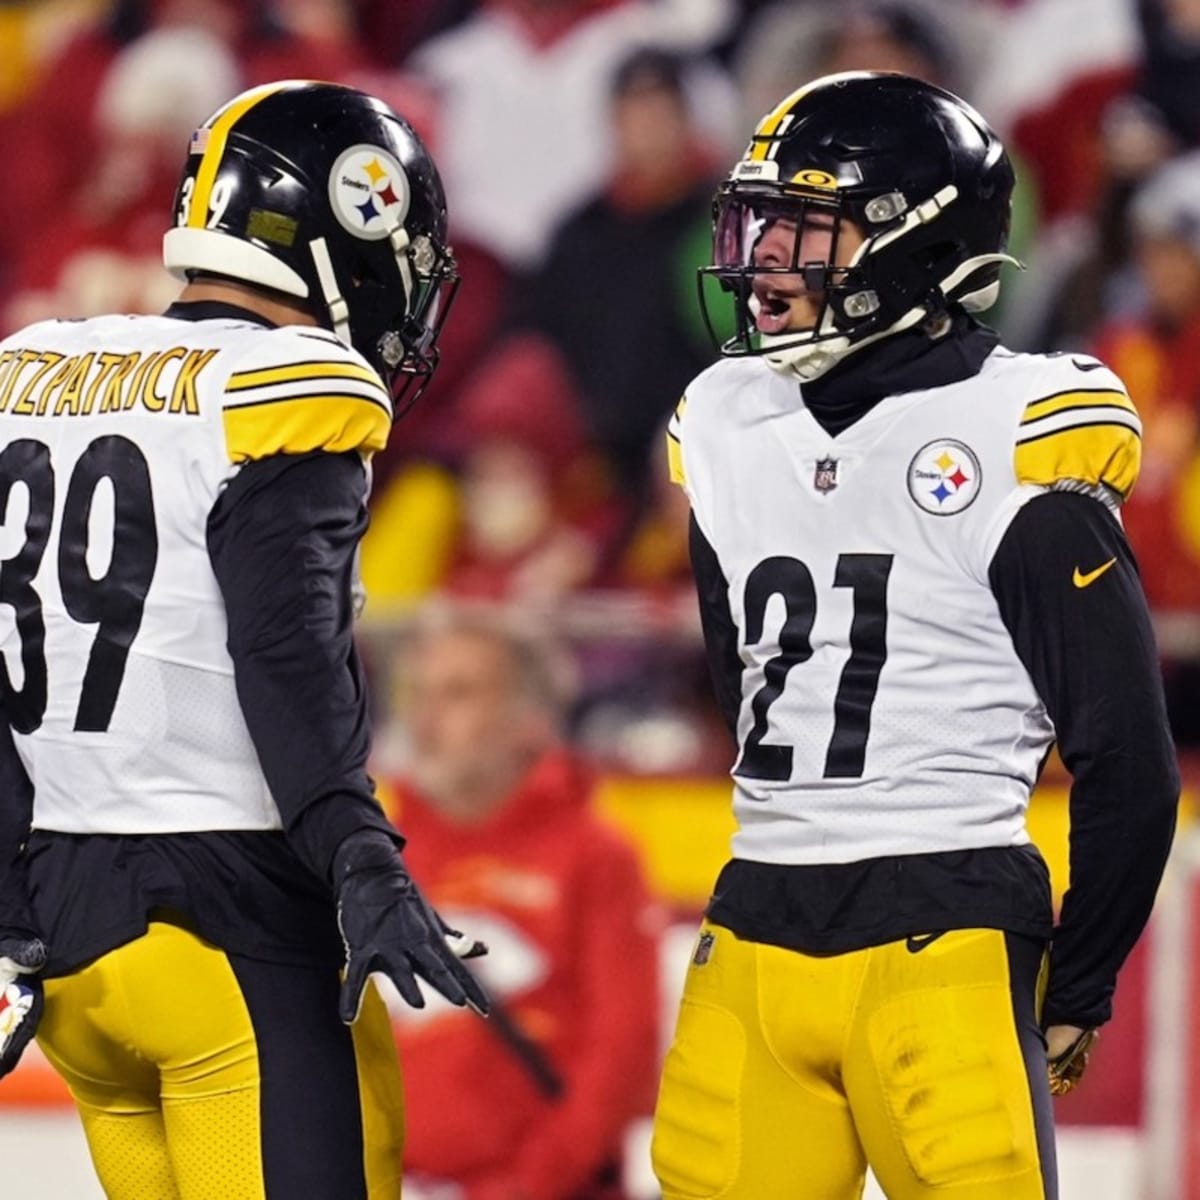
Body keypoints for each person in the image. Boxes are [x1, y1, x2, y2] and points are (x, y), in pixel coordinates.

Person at [652, 71, 1180, 1200]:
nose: (767, 263)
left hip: (942, 927)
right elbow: (733, 679)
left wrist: (1079, 979)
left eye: (807, 233)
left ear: (913, 244)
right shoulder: (727, 420)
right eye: (760, 226)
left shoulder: (1018, 425)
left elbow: (1127, 754)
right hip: (754, 919)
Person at [0, 79, 488, 1200]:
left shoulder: (35, 367)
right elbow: (286, 649)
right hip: (231, 917)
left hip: (69, 935)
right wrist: (360, 855)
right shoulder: (286, 381)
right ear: (346, 229)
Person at [382, 604, 661, 1200]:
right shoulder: (379, 854)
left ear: (528, 720)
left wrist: (527, 1186)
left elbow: (623, 1054)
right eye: (419, 692)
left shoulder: (594, 855)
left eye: (459, 694)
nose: (425, 718)